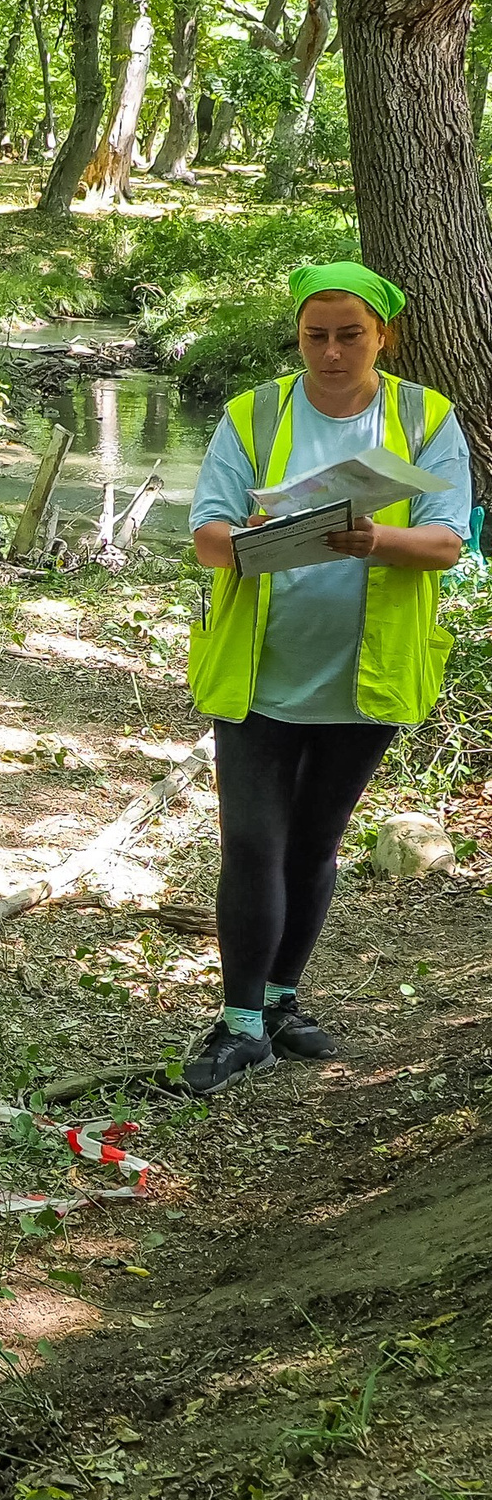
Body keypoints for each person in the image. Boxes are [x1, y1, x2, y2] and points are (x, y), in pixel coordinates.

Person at [182, 261, 473, 1095]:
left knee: (314, 843)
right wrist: (262, 538)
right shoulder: (256, 412)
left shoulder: (424, 418)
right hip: (259, 671)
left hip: (364, 676)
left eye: (351, 335)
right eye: (317, 335)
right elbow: (207, 533)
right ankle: (239, 1027)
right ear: (298, 336)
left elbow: (449, 542)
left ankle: (279, 1003)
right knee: (252, 842)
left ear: (384, 334)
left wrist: (372, 539)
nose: (333, 351)